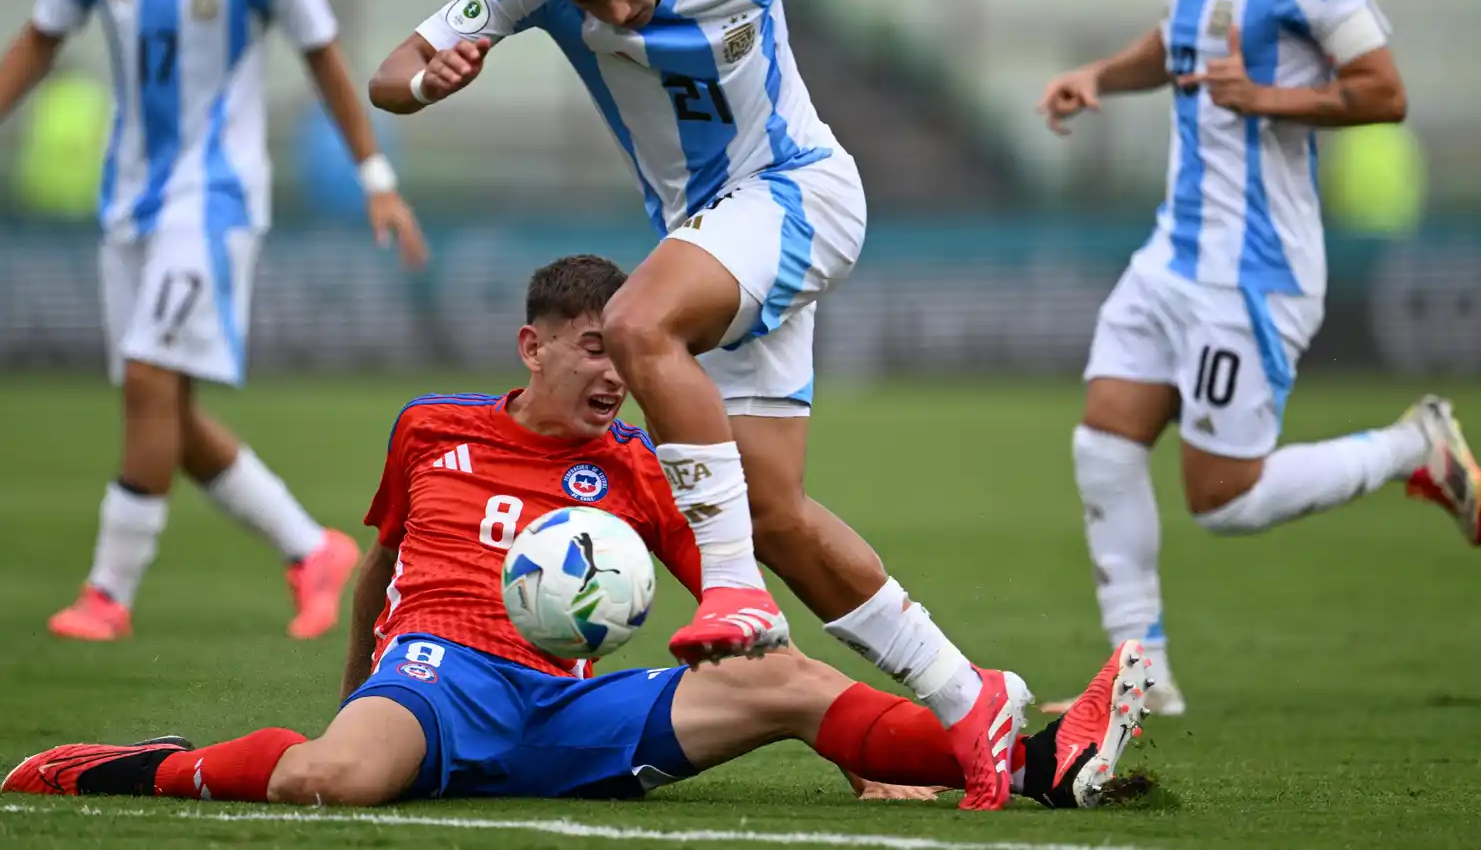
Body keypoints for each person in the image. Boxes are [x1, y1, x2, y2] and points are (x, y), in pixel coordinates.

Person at [367, 0, 1029, 811]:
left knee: (634, 322)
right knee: (775, 511)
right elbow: (391, 70)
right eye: (596, 1)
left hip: (802, 194)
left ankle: (730, 591)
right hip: (715, 238)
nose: (620, 12)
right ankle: (968, 697)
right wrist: (425, 82)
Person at [2, 255, 1153, 811]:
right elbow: (381, 570)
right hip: (437, 679)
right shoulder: (429, 431)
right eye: (596, 348)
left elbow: (744, 605)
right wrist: (357, 686)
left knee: (788, 684)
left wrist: (853, 755)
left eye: (632, 351)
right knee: (326, 785)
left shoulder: (644, 469)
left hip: (576, 706)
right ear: (533, 347)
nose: (620, 373)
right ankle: (128, 766)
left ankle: (1030, 749)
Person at [1034, 0, 1481, 717]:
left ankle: (1412, 445)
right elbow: (1176, 42)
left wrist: (1271, 98)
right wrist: (1098, 76)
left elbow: (1385, 90)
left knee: (1224, 497)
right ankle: (1140, 674)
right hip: (1175, 252)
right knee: (1103, 442)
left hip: (1253, 271)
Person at [0, 0, 429, 643]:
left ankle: (108, 593)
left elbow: (324, 56)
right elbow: (42, 38)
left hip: (217, 194)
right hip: (128, 198)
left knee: (151, 382)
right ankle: (312, 551)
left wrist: (375, 180)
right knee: (166, 413)